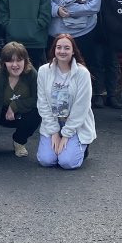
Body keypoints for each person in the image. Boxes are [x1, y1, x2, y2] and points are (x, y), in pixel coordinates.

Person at [45, 0, 104, 108]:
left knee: (81, 67)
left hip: (82, 32)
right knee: (56, 66)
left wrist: (72, 10)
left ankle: (82, 101)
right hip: (56, 32)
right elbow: (44, 0)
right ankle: (56, 100)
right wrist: (57, 10)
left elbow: (95, 5)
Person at [36, 33, 95, 170]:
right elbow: (43, 103)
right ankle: (65, 148)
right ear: (54, 50)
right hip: (53, 122)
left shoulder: (82, 73)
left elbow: (81, 108)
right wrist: (55, 132)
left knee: (67, 162)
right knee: (46, 160)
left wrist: (66, 135)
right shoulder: (44, 71)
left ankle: (81, 147)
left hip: (75, 124)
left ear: (73, 51)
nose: (62, 51)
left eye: (67, 48)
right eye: (59, 47)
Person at [87, 0, 122, 109]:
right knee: (97, 61)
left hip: (114, 24)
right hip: (96, 24)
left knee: (113, 62)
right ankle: (98, 94)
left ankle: (113, 94)